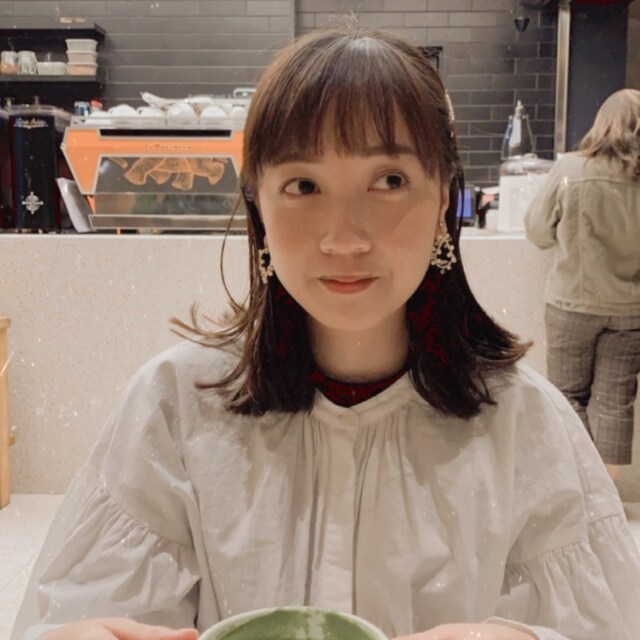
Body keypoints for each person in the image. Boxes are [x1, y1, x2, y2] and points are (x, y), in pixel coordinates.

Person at [12, 25, 640, 640]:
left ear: (444, 201)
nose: (344, 238)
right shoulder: (175, 406)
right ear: (258, 204)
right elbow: (84, 606)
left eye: (390, 181)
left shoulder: (527, 425)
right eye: (304, 186)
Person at [524, 89, 640, 483]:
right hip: (630, 310)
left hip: (572, 303)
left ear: (602, 123)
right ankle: (606, 494)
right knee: (615, 402)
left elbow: (538, 231)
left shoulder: (571, 169)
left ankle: (581, 487)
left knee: (567, 396)